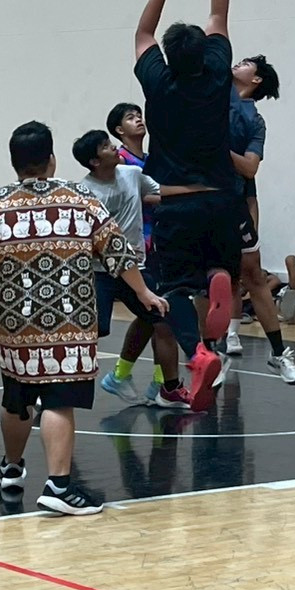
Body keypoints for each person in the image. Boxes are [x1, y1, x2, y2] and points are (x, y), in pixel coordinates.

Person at [0, 121, 167, 517]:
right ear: (51, 159)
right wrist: (144, 293)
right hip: (70, 320)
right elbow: (118, 252)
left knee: (17, 398)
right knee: (59, 399)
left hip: (15, 322)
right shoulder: (81, 200)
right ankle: (59, 486)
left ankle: (12, 469)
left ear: (14, 162)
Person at [133, 0, 243, 411]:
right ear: (204, 54)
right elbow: (218, 15)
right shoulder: (218, 74)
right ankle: (218, 276)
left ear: (170, 57)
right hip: (221, 198)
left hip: (176, 203)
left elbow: (143, 34)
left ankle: (198, 353)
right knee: (216, 266)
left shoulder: (159, 82)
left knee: (172, 288)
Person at [71, 129, 188, 409]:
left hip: (135, 267)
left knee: (159, 317)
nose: (113, 147)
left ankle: (169, 388)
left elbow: (160, 193)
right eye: (105, 146)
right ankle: (53, 386)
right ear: (94, 161)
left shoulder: (133, 174)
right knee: (93, 330)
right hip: (99, 271)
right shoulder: (84, 193)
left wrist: (194, 191)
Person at [226, 54, 295, 383]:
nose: (238, 63)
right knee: (209, 282)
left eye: (246, 63)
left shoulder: (253, 120)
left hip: (232, 204)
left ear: (255, 80)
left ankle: (278, 353)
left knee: (251, 276)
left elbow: (249, 170)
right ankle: (211, 349)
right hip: (196, 200)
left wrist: (216, 147)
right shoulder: (210, 94)